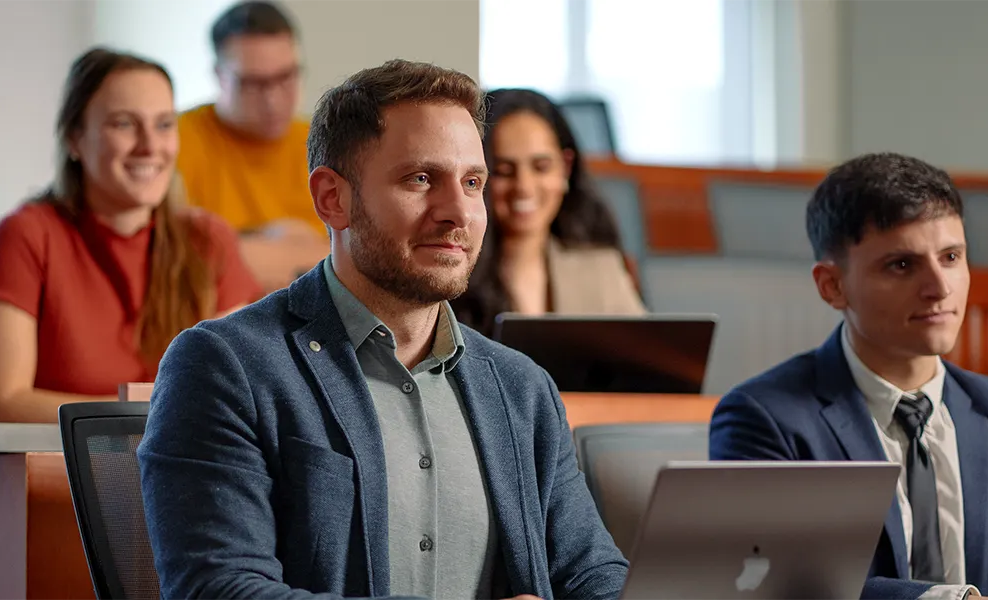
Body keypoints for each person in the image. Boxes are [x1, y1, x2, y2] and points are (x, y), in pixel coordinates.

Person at [138, 59, 627, 600]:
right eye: (420, 179)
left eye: (472, 183)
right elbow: (218, 590)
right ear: (332, 198)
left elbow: (593, 573)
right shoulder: (226, 366)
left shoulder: (521, 388)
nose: (457, 212)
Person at [708, 153, 988, 600]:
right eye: (902, 265)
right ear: (832, 286)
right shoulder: (765, 417)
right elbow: (782, 587)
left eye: (951, 257)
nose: (940, 287)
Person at [0, 47, 262, 423]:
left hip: (182, 476)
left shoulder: (209, 240)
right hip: (61, 475)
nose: (150, 146)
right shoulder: (24, 236)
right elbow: (3, 406)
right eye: (124, 124)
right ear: (74, 138)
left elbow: (239, 392)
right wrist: (162, 410)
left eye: (164, 124)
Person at [451, 88, 645, 334]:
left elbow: (649, 364)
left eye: (541, 167)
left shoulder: (601, 271)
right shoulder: (449, 274)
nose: (524, 187)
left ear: (566, 168)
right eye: (504, 170)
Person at [177, 1, 327, 292]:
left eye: (285, 77)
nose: (272, 100)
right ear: (219, 75)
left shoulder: (324, 141)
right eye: (253, 84)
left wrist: (239, 248)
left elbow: (361, 263)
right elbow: (178, 262)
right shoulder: (175, 140)